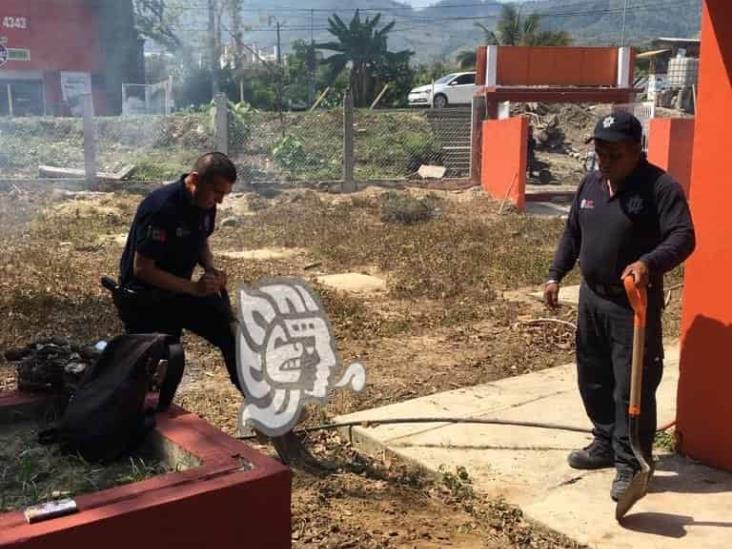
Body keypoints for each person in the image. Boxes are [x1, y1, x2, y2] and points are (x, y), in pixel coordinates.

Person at [544, 111, 695, 501]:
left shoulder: (660, 188)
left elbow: (683, 236)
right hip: (592, 299)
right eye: (600, 154)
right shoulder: (591, 186)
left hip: (632, 306)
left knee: (633, 388)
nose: (605, 163)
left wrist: (648, 263)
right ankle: (605, 443)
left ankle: (632, 464)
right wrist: (555, 275)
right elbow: (572, 234)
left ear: (635, 151)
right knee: (592, 377)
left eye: (614, 155)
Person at [116, 152, 240, 390]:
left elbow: (200, 239)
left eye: (225, 194)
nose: (220, 201)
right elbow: (142, 269)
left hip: (178, 292)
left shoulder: (205, 203)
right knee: (157, 368)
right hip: (145, 300)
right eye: (216, 192)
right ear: (194, 180)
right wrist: (194, 288)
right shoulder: (162, 208)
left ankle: (266, 409)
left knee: (232, 334)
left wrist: (211, 269)